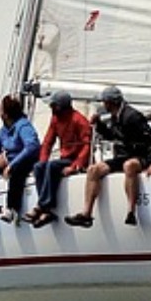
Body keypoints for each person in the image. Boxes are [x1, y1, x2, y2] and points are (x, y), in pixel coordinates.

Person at [66, 85, 151, 228]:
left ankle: (131, 211)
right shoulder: (116, 116)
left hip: (139, 155)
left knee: (129, 166)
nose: (104, 105)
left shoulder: (132, 116)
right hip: (122, 156)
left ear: (110, 102)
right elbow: (112, 135)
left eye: (105, 102)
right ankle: (86, 213)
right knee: (93, 170)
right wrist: (99, 124)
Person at [27, 91, 92, 227]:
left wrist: (75, 166)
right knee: (39, 167)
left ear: (61, 106)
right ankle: (46, 208)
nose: (51, 108)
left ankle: (42, 206)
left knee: (52, 166)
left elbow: (87, 146)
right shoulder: (56, 119)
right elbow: (48, 142)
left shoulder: (79, 120)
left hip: (74, 159)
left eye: (53, 105)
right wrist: (43, 159)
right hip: (64, 158)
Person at [0, 95, 40, 223]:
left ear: (5, 114)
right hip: (10, 160)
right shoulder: (6, 129)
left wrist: (12, 165)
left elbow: (32, 146)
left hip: (27, 159)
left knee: (16, 174)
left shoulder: (23, 126)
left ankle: (12, 208)